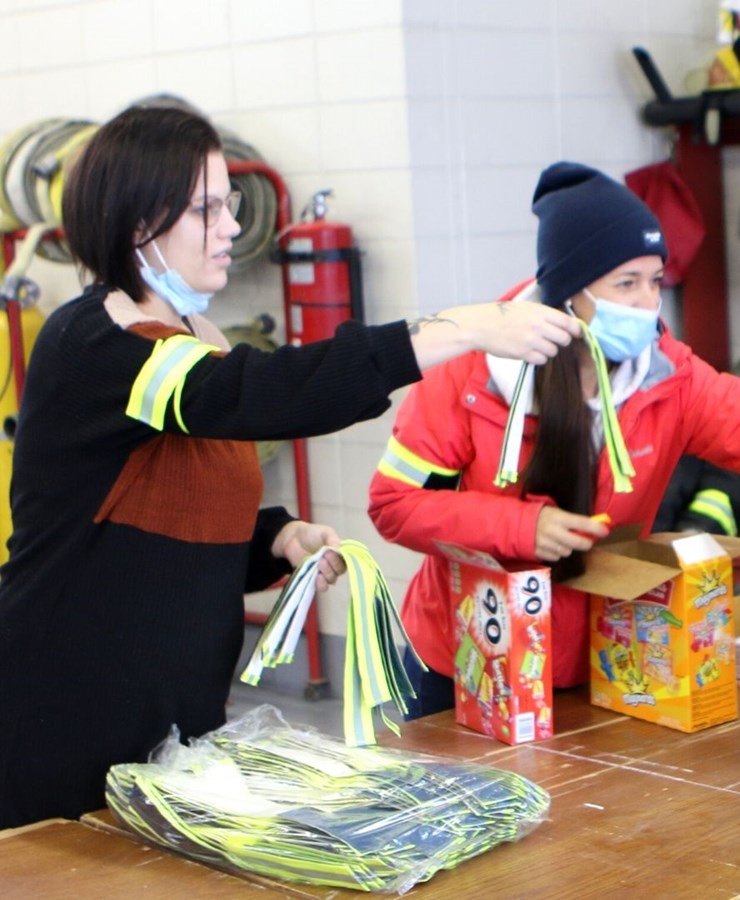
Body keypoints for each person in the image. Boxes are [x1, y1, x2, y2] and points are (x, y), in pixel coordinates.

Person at [0, 104, 581, 829]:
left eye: (229, 203)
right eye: (206, 208)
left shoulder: (192, 334)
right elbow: (250, 393)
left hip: (174, 724)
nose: (232, 227)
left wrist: (274, 541)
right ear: (137, 224)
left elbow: (164, 526)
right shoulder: (96, 342)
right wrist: (462, 328)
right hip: (67, 717)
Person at [368, 162, 740, 715]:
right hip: (468, 667)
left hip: (599, 666)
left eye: (655, 280)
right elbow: (394, 505)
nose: (648, 302)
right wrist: (524, 527)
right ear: (570, 294)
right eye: (626, 283)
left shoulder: (669, 377)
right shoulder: (469, 375)